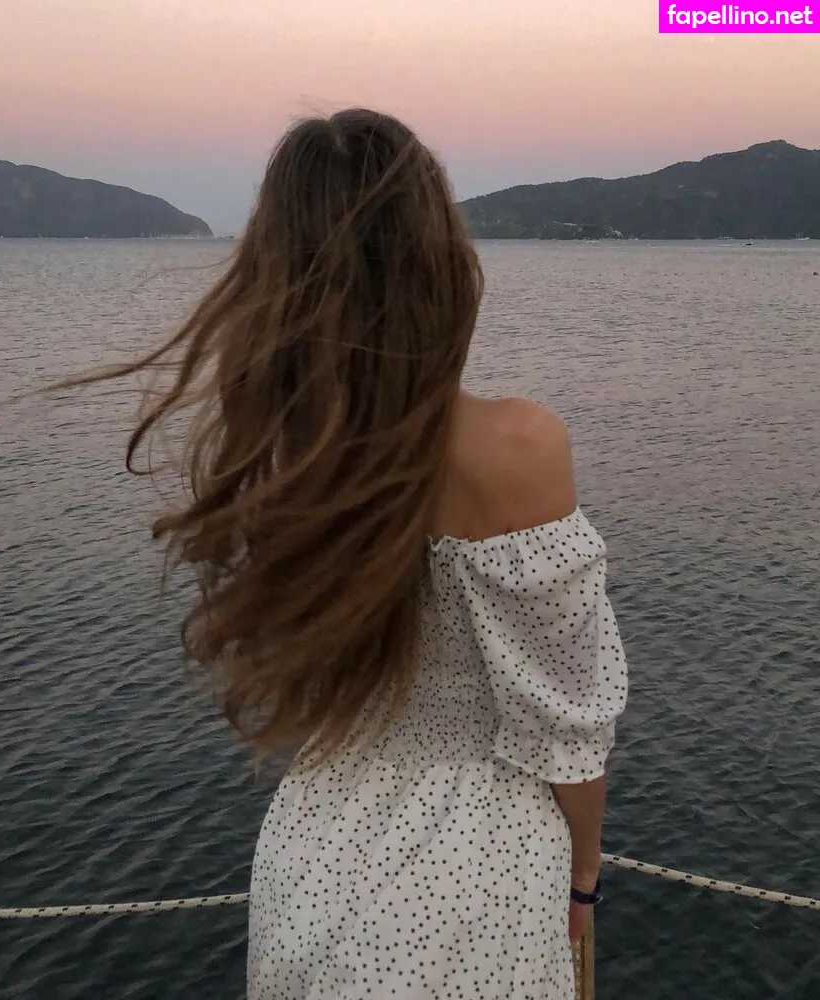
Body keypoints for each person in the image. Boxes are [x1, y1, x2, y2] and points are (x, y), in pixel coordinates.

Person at [68, 108, 628, 998]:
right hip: (477, 878)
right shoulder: (514, 448)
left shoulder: (288, 457)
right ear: (439, 260)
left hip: (313, 859)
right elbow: (565, 731)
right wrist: (585, 875)